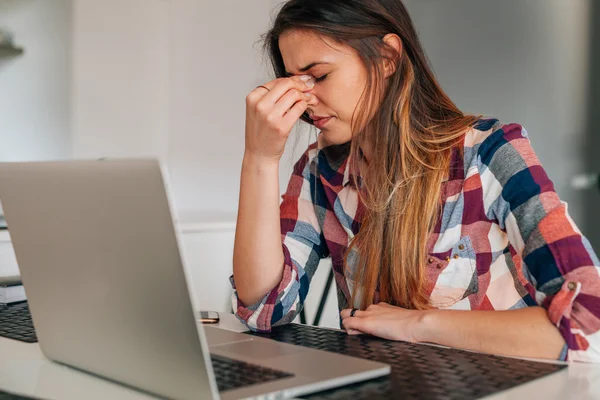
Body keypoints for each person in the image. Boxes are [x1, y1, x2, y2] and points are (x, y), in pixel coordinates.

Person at [230, 0, 600, 363]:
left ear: (388, 57)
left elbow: (589, 321)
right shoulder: (319, 172)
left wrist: (418, 324)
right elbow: (264, 309)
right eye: (296, 82)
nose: (307, 100)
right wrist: (260, 159)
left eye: (320, 76)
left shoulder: (489, 153)